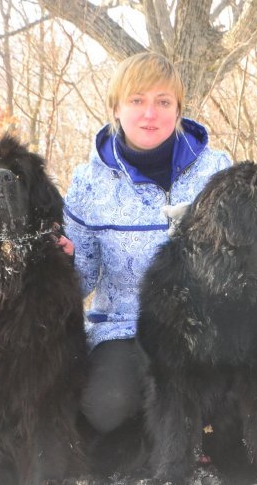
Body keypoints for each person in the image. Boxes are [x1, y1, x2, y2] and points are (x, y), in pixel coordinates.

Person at [58, 52, 231, 438]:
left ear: (179, 110)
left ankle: (205, 433)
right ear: (116, 108)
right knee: (105, 406)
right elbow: (81, 281)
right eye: (137, 101)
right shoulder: (88, 183)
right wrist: (63, 263)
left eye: (163, 102)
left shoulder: (217, 170)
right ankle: (150, 439)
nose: (150, 114)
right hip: (125, 326)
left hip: (205, 327)